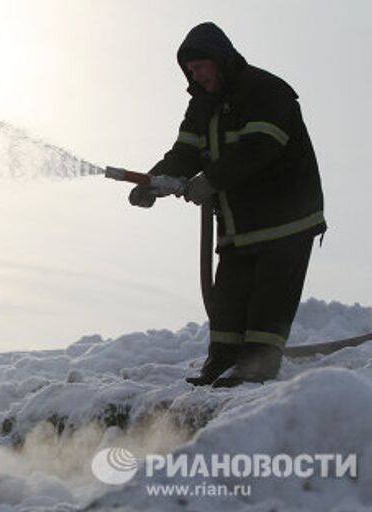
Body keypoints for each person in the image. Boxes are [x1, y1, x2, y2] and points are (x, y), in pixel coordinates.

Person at [129, 22, 326, 387]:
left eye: (200, 67)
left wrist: (210, 181)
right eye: (190, 72)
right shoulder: (200, 106)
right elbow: (184, 154)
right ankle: (220, 363)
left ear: (219, 59)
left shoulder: (266, 90)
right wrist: (153, 182)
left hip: (286, 219)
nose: (196, 76)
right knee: (228, 299)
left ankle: (256, 370)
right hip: (239, 226)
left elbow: (259, 148)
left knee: (269, 297)